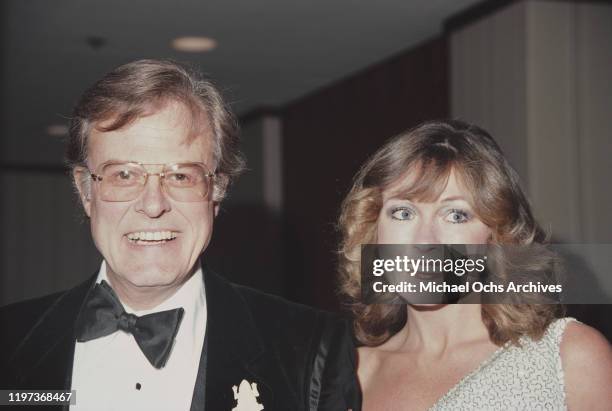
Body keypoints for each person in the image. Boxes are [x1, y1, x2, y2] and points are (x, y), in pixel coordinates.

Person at [0, 59, 360, 411]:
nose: (153, 205)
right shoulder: (9, 340)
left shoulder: (312, 348)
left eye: (181, 176)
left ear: (216, 192)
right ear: (86, 192)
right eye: (123, 175)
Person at [337, 120, 612, 410]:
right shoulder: (352, 376)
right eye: (403, 213)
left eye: (455, 215)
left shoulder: (568, 357)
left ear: (495, 237)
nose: (423, 240)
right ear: (374, 231)